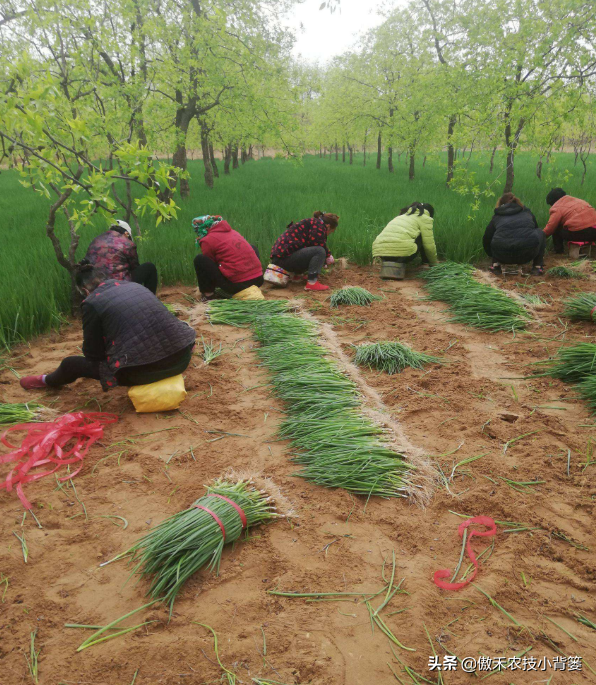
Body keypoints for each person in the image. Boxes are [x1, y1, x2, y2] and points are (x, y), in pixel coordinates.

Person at [20, 263, 196, 391]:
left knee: (70, 364)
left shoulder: (92, 302)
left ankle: (46, 381)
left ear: (85, 291)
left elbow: (93, 354)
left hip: (144, 373)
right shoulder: (134, 286)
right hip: (181, 357)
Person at [192, 215, 264, 302]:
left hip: (238, 286)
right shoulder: (234, 232)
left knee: (200, 260)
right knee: (251, 247)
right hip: (258, 280)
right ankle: (252, 276)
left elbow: (210, 266)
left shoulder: (207, 240)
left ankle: (208, 295)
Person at [270, 211, 339, 292]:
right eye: (331, 232)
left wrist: (321, 261)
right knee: (320, 251)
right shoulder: (318, 225)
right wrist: (328, 255)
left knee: (311, 250)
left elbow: (307, 246)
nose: (328, 234)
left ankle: (297, 276)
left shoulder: (313, 223)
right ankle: (312, 283)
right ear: (328, 226)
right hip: (283, 260)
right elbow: (318, 243)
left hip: (280, 259)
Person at [84, 220, 158, 294]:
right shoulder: (127, 243)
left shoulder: (96, 241)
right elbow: (134, 267)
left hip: (96, 288)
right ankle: (149, 299)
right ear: (126, 234)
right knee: (149, 267)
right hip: (119, 287)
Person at [372, 202, 438, 280]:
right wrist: (434, 264)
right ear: (429, 212)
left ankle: (389, 264)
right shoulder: (425, 218)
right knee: (423, 237)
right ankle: (425, 263)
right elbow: (429, 246)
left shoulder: (400, 217)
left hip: (381, 252)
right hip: (403, 254)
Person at [483, 193, 545, 275]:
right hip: (527, 255)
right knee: (539, 232)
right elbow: (535, 230)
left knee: (495, 235)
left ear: (501, 204)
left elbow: (487, 238)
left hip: (502, 256)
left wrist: (492, 254)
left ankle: (495, 266)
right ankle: (537, 267)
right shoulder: (527, 212)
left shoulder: (497, 216)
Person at [543, 188, 596, 254]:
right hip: (594, 232)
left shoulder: (556, 207)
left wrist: (539, 236)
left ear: (553, 202)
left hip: (582, 233)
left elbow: (550, 228)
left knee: (556, 228)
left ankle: (559, 252)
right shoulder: (579, 201)